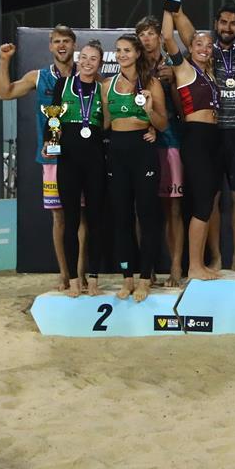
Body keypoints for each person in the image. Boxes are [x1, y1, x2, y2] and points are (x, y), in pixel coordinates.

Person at [173, 0, 235, 274]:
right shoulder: (206, 54)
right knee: (209, 198)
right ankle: (214, 258)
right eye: (223, 22)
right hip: (212, 134)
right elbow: (185, 29)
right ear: (216, 25)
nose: (228, 27)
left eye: (234, 23)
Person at [0, 26, 79, 291]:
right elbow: (4, 93)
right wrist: (4, 61)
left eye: (66, 40)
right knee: (59, 218)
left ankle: (81, 274)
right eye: (57, 41)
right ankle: (64, 274)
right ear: (50, 46)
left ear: (74, 44)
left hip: (81, 158)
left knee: (84, 218)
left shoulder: (86, 74)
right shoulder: (38, 76)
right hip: (52, 160)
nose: (62, 45)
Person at [102, 34, 169, 301]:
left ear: (137, 53)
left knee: (147, 216)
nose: (121, 55)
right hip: (117, 150)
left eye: (127, 50)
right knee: (122, 218)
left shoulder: (151, 83)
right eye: (118, 51)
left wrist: (151, 114)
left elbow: (163, 124)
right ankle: (127, 278)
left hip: (143, 149)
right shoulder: (107, 86)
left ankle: (144, 278)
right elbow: (105, 123)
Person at [53, 42, 109, 292]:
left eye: (93, 59)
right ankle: (74, 281)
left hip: (95, 162)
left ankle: (94, 278)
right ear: (78, 59)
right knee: (71, 219)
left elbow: (108, 123)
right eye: (84, 57)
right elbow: (52, 120)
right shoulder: (63, 85)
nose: (88, 62)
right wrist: (49, 140)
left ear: (99, 63)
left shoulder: (103, 89)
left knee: (96, 221)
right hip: (68, 161)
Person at [136, 14, 185, 288]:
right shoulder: (133, 65)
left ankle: (176, 267)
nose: (146, 38)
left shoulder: (173, 63)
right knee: (144, 209)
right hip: (143, 140)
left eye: (151, 33)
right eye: (141, 34)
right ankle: (148, 268)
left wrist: (174, 80)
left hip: (172, 139)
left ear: (159, 36)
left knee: (173, 209)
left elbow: (183, 104)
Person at [171, 30, 224, 280]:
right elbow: (168, 40)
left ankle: (199, 264)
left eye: (209, 45)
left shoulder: (210, 74)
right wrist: (171, 3)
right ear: (190, 48)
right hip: (196, 137)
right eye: (199, 44)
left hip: (213, 137)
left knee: (210, 201)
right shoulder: (184, 69)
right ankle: (193, 266)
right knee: (202, 204)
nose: (205, 48)